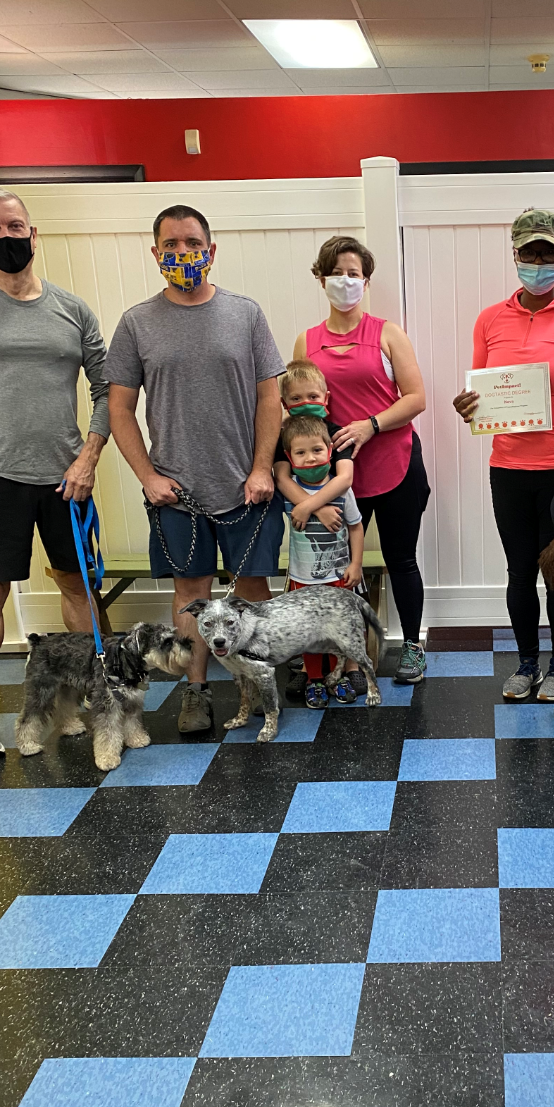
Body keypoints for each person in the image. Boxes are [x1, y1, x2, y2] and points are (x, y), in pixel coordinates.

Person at [106, 203, 285, 733]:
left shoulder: (246, 314)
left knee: (253, 588)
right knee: (190, 595)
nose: (182, 253)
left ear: (211, 250)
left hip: (244, 487)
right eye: (171, 245)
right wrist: (147, 477)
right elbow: (119, 408)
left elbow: (269, 397)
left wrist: (261, 468)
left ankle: (262, 683)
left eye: (192, 243)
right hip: (175, 492)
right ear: (156, 252)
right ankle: (196, 692)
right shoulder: (136, 323)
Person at [0, 186, 110, 761]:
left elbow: (108, 389)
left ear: (32, 232)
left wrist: (88, 457)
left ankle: (73, 704)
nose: (6, 238)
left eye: (15, 228)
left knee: (76, 586)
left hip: (66, 477)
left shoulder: (72, 309)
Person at [452, 208, 554, 703]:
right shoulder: (489, 319)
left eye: (548, 252)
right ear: (515, 254)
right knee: (520, 571)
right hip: (507, 469)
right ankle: (526, 663)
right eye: (529, 252)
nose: (538, 261)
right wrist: (468, 407)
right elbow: (480, 390)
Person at [293, 236, 429, 685]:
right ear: (320, 278)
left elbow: (416, 398)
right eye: (336, 272)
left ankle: (412, 645)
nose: (345, 281)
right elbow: (297, 411)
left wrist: (371, 424)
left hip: (395, 465)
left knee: (400, 558)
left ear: (366, 281)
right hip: (331, 478)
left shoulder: (388, 333)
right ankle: (336, 657)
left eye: (354, 273)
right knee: (333, 566)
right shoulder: (306, 342)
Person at [274, 412, 364, 708]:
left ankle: (337, 677)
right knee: (310, 635)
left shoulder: (342, 491)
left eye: (316, 450)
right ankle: (314, 681)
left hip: (338, 576)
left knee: (338, 631)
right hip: (303, 579)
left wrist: (356, 564)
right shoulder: (289, 494)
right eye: (301, 453)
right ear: (289, 457)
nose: (310, 458)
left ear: (329, 450)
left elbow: (355, 527)